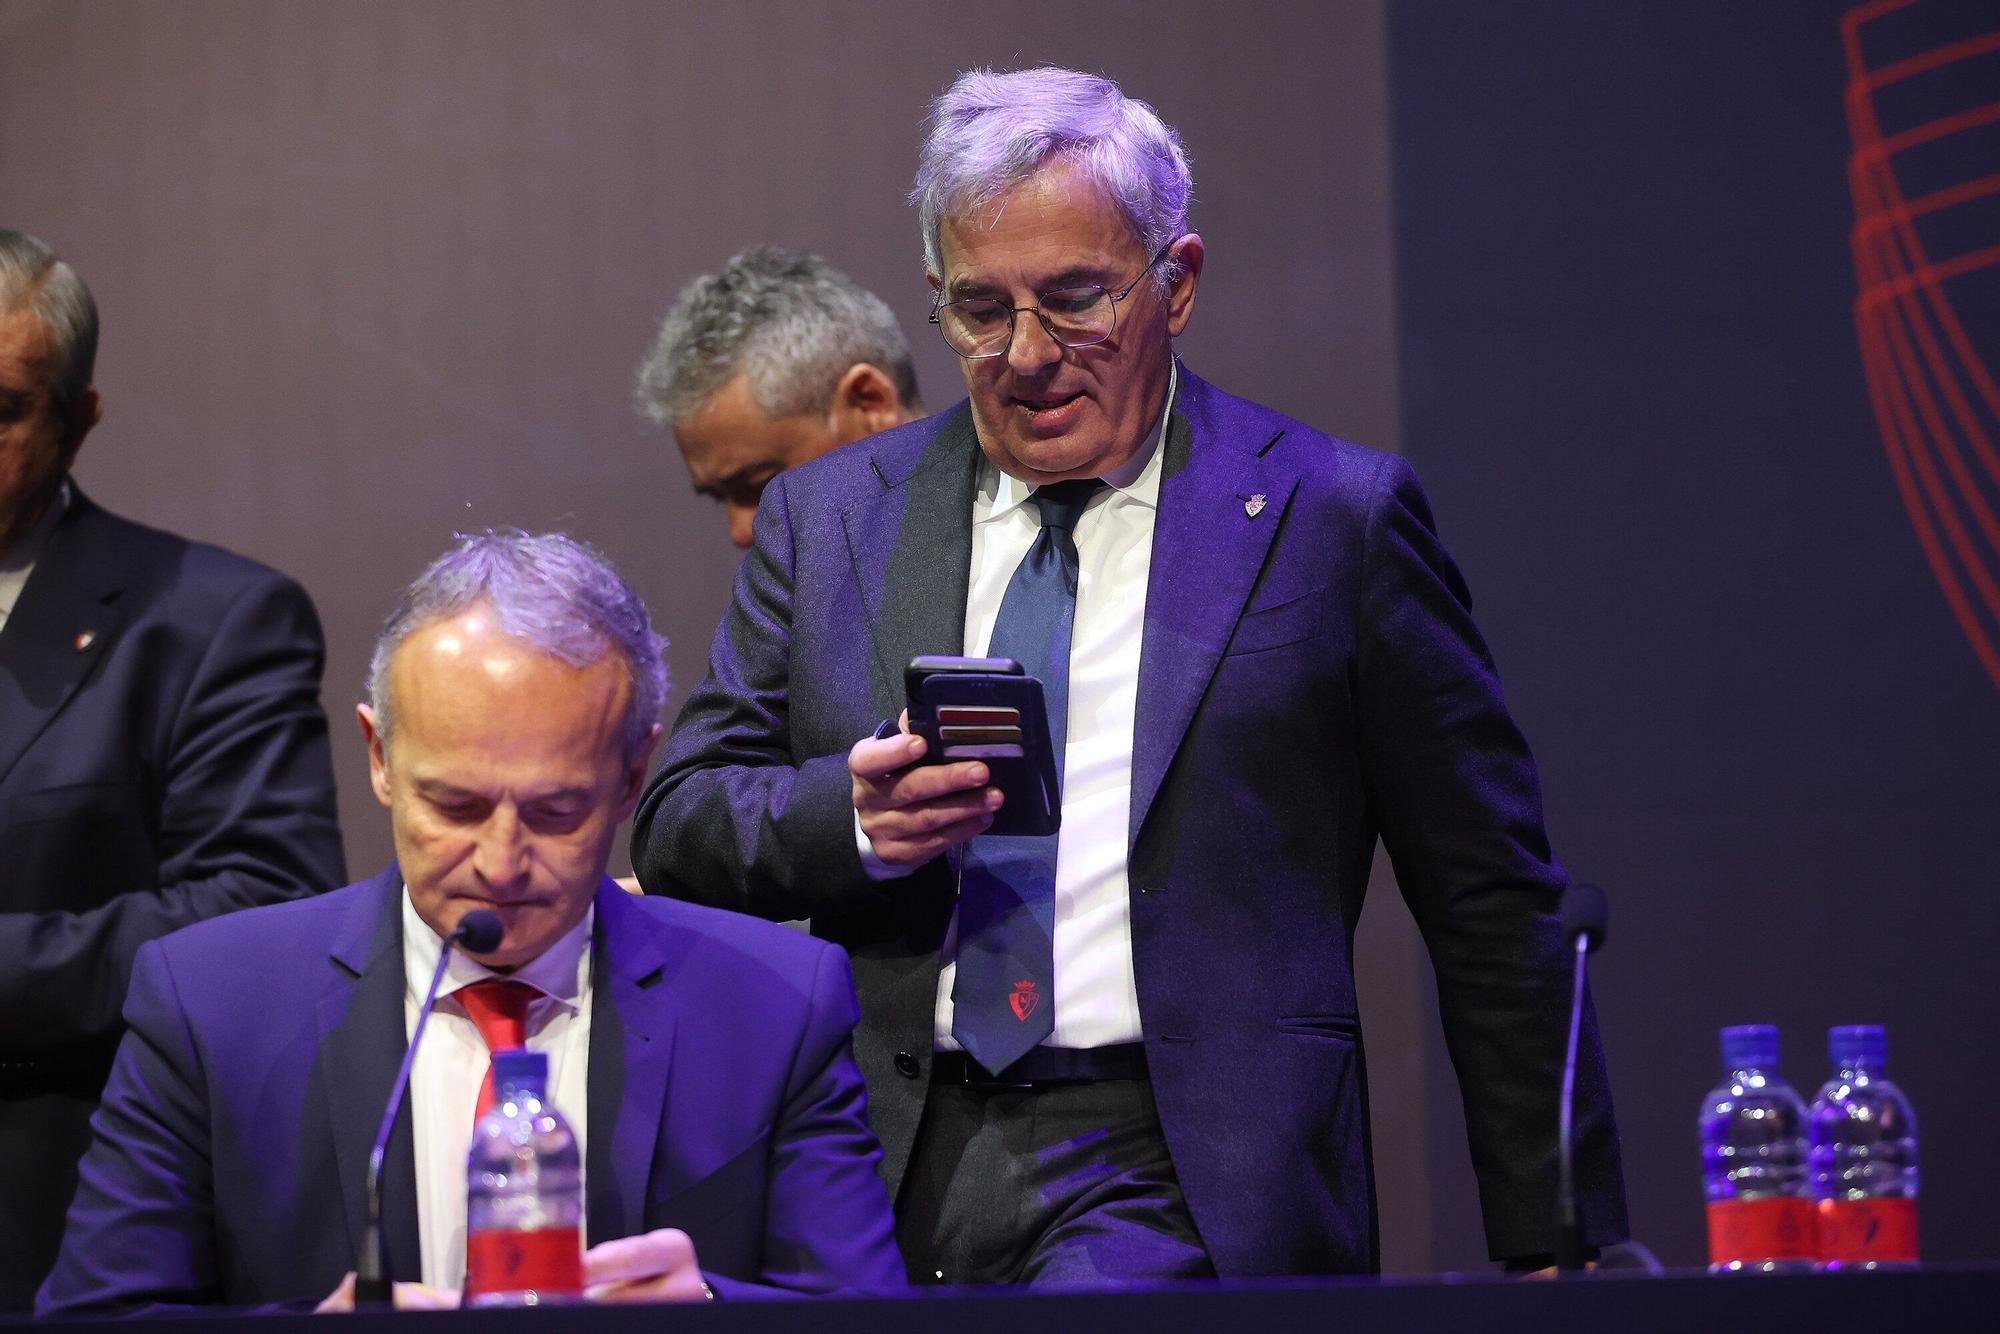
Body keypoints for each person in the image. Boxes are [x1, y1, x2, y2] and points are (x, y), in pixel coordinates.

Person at [633, 68, 1627, 1284]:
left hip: (1176, 1159)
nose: (1026, 355)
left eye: (1074, 299)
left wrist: (1552, 1239)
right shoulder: (830, 517)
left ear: (1177, 282)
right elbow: (679, 817)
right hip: (875, 1153)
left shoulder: (1330, 519)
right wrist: (851, 816)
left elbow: (1487, 900)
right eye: (979, 310)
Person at [37, 532, 903, 1315]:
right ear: (379, 757)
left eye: (558, 811)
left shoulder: (775, 1005)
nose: (501, 861)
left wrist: (710, 1306)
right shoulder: (209, 1004)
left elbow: (870, 1317)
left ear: (635, 773)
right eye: (454, 805)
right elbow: (96, 1320)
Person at [0, 228, 346, 1310]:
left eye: (1, 410)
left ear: (77, 422)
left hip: (52, 1223)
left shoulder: (211, 620)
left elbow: (259, 909)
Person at [636, 246, 924, 550]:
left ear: (869, 403)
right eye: (720, 497)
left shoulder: (977, 581)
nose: (740, 533)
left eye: (761, 486)